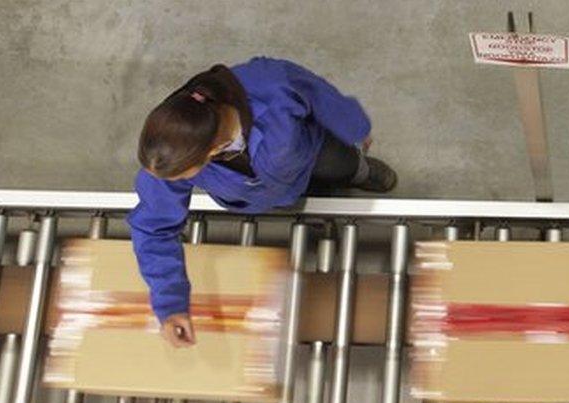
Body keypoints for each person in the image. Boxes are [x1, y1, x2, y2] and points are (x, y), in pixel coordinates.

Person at [129, 56, 397, 347]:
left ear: (211, 151)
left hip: (311, 156)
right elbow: (154, 229)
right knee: (297, 202)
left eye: (182, 174)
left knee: (342, 164)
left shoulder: (268, 86)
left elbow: (313, 91)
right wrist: (170, 306)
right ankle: (318, 205)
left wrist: (354, 125)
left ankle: (362, 171)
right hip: (258, 195)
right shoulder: (171, 157)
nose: (170, 181)